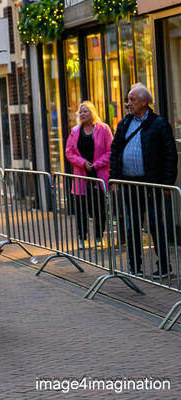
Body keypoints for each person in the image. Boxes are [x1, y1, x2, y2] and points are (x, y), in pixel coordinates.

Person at [110, 83, 178, 278]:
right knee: (132, 227)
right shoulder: (124, 123)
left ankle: (164, 266)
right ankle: (135, 267)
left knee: (156, 225)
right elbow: (115, 151)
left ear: (144, 102)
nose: (128, 103)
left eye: (132, 100)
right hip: (130, 184)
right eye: (128, 100)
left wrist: (167, 183)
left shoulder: (159, 124)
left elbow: (170, 155)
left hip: (151, 184)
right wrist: (114, 179)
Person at [65, 101, 113, 249]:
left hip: (99, 175)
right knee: (81, 209)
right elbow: (69, 152)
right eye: (80, 111)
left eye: (85, 111)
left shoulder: (103, 129)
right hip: (81, 176)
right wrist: (82, 162)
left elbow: (111, 151)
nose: (82, 114)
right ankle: (82, 238)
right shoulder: (75, 132)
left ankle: (99, 237)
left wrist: (95, 165)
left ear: (92, 113)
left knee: (99, 208)